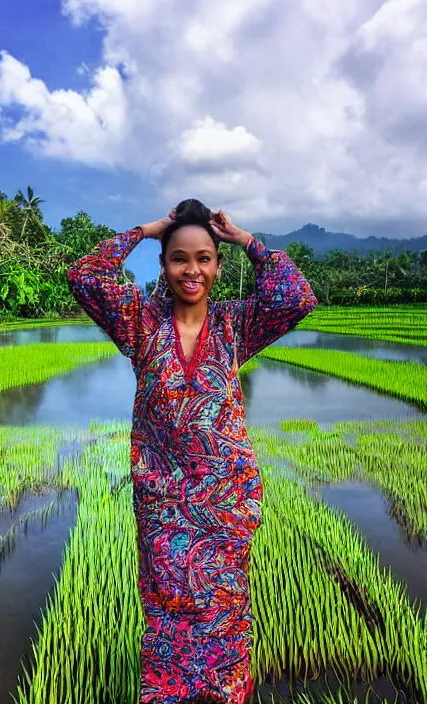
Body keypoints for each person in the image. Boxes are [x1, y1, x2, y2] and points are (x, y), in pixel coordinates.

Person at [67, 199, 318, 704]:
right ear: (164, 265)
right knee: (165, 620)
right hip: (162, 504)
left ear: (218, 267)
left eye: (204, 258)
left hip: (225, 504)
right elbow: (85, 276)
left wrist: (244, 239)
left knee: (224, 618)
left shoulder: (233, 326)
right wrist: (151, 229)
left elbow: (297, 298)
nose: (192, 270)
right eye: (179, 258)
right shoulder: (140, 323)